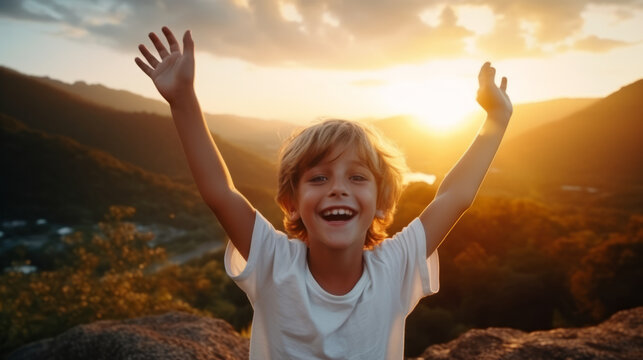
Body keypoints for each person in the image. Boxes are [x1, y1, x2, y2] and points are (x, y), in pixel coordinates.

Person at [135, 26, 513, 359]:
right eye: (318, 179)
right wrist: (183, 100)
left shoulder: (394, 269)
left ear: (382, 203)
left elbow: (453, 197)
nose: (337, 190)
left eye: (357, 178)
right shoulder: (273, 263)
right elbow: (220, 192)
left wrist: (496, 119)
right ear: (291, 204)